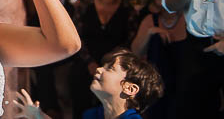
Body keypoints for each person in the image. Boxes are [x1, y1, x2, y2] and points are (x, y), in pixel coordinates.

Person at [14, 48, 163, 119]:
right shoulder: (92, 115)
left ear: (130, 88)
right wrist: (37, 115)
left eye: (110, 69)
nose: (98, 69)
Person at [70, 0, 138, 118]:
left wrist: (112, 63)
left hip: (115, 66)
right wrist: (89, 62)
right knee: (80, 100)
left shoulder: (128, 9)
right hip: (85, 63)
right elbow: (75, 36)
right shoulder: (84, 5)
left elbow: (130, 40)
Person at [130, 0, 184, 119]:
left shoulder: (189, 18)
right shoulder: (150, 20)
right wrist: (151, 32)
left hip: (187, 88)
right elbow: (135, 52)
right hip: (159, 91)